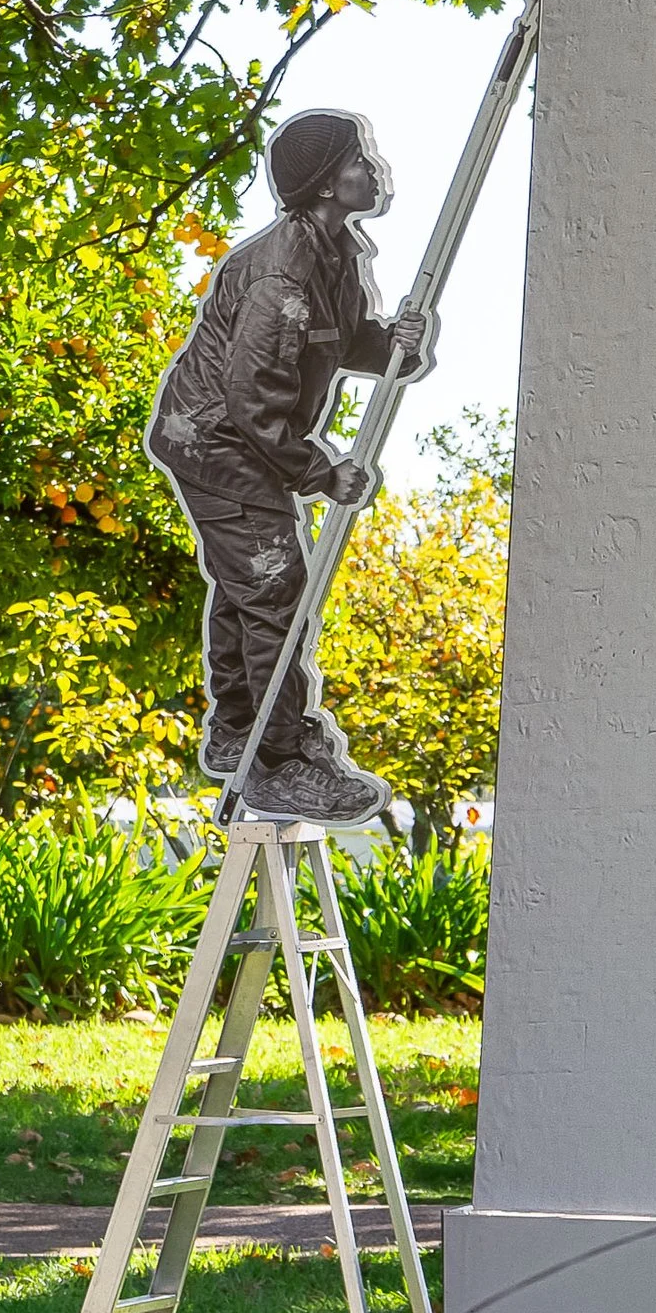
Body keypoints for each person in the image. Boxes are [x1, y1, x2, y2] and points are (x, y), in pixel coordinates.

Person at [146, 108, 431, 821]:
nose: (375, 170)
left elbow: (344, 344)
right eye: (360, 160)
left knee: (251, 583)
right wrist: (320, 472)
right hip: (216, 444)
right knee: (275, 588)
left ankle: (238, 729)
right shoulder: (281, 276)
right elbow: (252, 399)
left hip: (235, 442)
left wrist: (397, 345)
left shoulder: (333, 254)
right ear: (327, 183)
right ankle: (276, 761)